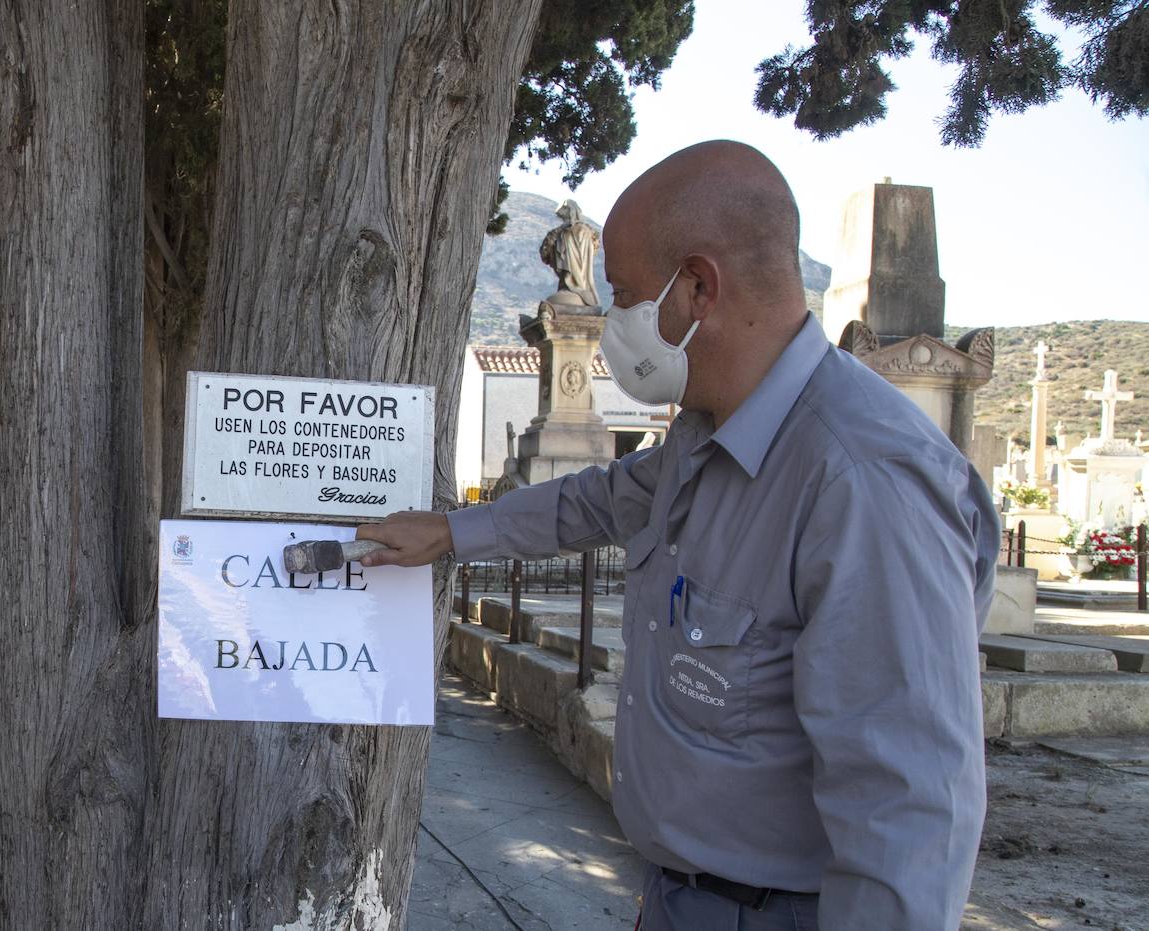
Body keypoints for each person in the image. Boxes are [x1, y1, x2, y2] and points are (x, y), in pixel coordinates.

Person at [356, 140, 999, 930]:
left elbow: (908, 809)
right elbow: (593, 502)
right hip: (682, 894)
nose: (611, 319)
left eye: (624, 293)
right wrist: (450, 531)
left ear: (698, 288)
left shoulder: (863, 481)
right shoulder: (709, 432)